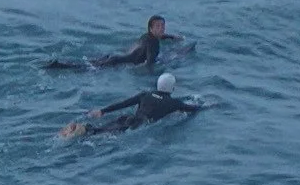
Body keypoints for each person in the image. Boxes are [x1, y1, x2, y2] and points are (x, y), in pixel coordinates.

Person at [60, 72, 204, 138]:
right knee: (101, 134)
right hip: (137, 125)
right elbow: (193, 109)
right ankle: (82, 131)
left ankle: (82, 128)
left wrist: (103, 111)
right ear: (172, 87)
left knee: (100, 129)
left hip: (126, 117)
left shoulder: (145, 94)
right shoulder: (173, 103)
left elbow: (124, 103)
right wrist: (210, 106)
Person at [45, 15, 181, 72]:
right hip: (117, 62)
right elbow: (150, 64)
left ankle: (60, 64)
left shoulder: (147, 37)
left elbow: (158, 37)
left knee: (87, 64)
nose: (162, 29)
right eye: (158, 26)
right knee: (84, 70)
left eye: (163, 26)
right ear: (151, 28)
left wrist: (171, 37)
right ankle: (58, 66)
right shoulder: (153, 44)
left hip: (114, 56)